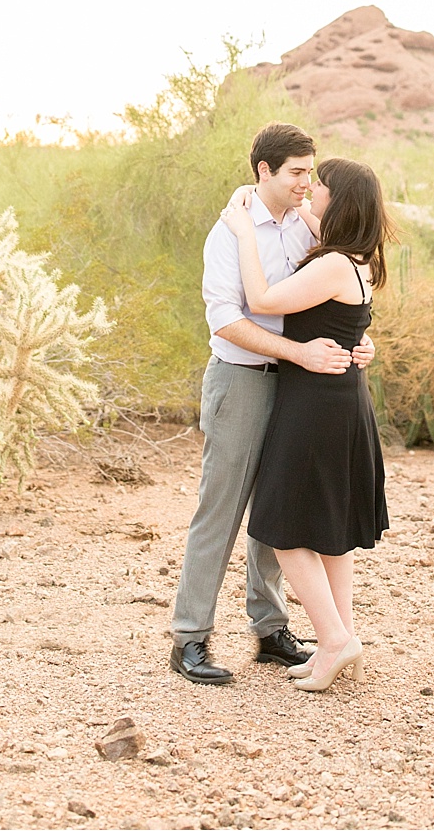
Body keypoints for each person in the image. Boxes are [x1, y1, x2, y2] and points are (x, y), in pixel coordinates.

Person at [168, 124, 374, 687]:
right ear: (265, 172)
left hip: (295, 385)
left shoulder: (306, 228)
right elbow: (228, 319)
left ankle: (270, 630)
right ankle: (190, 637)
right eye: (297, 172)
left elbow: (333, 295)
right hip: (241, 379)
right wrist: (300, 354)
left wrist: (357, 341)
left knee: (276, 512)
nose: (307, 181)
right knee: (222, 507)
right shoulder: (230, 232)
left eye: (312, 171)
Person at [220, 155, 393, 691]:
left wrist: (244, 230)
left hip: (315, 406)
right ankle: (340, 641)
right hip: (341, 400)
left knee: (281, 526)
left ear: (338, 202)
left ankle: (335, 641)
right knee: (330, 532)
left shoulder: (334, 264)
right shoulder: (357, 259)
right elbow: (325, 238)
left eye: (320, 185)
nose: (309, 190)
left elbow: (261, 299)